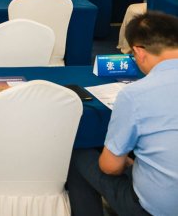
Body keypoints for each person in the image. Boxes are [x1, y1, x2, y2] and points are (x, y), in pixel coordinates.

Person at [67, 12, 178, 216]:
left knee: (79, 154)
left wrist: (124, 162)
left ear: (139, 52)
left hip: (156, 210)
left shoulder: (136, 94)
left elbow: (110, 167)